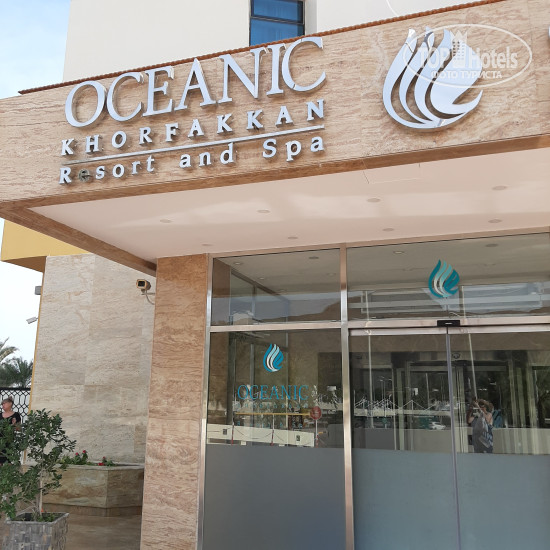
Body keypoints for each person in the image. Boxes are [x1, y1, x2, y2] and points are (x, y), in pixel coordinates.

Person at [0, 396, 22, 464]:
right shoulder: (0, 415)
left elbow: (19, 429)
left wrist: (14, 424)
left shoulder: (16, 415)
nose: (3, 405)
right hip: (0, 440)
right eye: (2, 404)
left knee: (7, 459)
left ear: (10, 403)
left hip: (9, 440)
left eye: (4, 403)